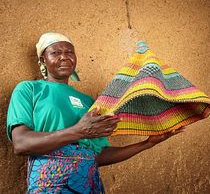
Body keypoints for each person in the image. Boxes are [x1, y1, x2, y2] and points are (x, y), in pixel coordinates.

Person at [7, 32, 185, 193]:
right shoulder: (29, 89)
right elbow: (21, 144)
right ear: (43, 60)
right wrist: (78, 131)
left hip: (88, 184)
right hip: (51, 184)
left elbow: (98, 155)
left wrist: (147, 144)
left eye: (69, 52)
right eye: (55, 52)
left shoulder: (89, 102)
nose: (64, 57)